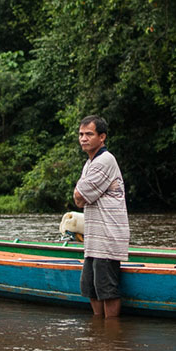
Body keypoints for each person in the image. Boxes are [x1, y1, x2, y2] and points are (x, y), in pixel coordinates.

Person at [73, 115, 129, 318]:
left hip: (108, 236)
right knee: (90, 287)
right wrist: (81, 196)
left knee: (107, 290)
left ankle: (111, 336)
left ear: (102, 137)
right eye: (81, 134)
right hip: (94, 238)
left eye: (89, 134)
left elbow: (79, 197)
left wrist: (81, 195)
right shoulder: (89, 163)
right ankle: (99, 332)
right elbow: (80, 198)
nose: (83, 138)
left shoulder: (105, 160)